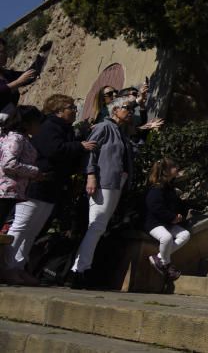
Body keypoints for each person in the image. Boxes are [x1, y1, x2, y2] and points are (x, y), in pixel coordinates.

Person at [5, 95, 95, 283]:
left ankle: (19, 266)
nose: (74, 110)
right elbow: (53, 150)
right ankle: (7, 267)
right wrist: (79, 146)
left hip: (51, 186)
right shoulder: (49, 127)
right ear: (59, 110)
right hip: (36, 185)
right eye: (71, 107)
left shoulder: (65, 129)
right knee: (21, 226)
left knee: (33, 230)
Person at [69, 95, 136, 289]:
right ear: (114, 110)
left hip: (115, 182)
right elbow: (91, 151)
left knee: (99, 225)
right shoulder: (103, 127)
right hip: (104, 181)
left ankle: (82, 268)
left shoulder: (121, 131)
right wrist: (91, 175)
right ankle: (79, 270)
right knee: (97, 225)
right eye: (127, 108)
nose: (130, 112)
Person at [0, 105, 44, 281]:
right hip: (4, 190)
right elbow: (8, 164)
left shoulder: (22, 139)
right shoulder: (15, 138)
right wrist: (35, 172)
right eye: (37, 122)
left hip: (12, 191)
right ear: (28, 123)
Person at [144, 158, 190, 281]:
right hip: (155, 223)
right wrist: (172, 217)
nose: (177, 169)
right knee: (167, 237)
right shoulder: (157, 187)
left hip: (168, 222)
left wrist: (178, 216)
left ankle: (159, 258)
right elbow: (155, 207)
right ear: (166, 171)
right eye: (174, 166)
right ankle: (167, 264)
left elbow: (174, 205)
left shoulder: (169, 187)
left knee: (185, 235)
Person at [0, 37, 37, 121]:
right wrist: (18, 82)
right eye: (2, 52)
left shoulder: (7, 74)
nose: (6, 54)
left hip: (9, 121)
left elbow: (28, 76)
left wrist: (42, 56)